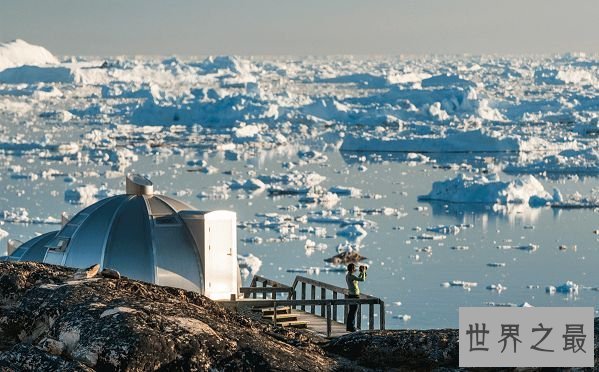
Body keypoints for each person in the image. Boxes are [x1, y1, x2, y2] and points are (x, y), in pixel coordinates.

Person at [345, 263, 367, 332]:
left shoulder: (349, 275)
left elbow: (358, 279)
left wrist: (362, 273)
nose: (355, 269)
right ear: (352, 269)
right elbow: (362, 280)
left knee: (351, 311)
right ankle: (351, 327)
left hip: (352, 295)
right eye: (354, 268)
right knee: (353, 312)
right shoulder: (351, 276)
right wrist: (363, 272)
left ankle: (349, 327)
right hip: (354, 296)